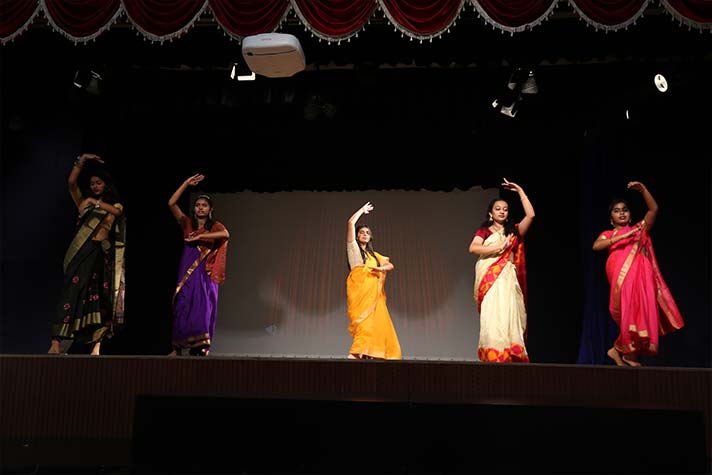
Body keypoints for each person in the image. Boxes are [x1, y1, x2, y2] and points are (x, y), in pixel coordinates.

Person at [592, 181, 684, 366]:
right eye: (616, 211)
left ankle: (624, 352)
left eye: (625, 210)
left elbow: (653, 209)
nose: (621, 213)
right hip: (621, 275)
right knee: (628, 310)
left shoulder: (639, 229)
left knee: (639, 310)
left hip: (641, 276)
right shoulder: (609, 233)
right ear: (611, 219)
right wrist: (621, 236)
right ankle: (624, 351)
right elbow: (596, 246)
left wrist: (643, 190)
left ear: (630, 215)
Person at [49, 153, 126, 356]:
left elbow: (117, 212)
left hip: (100, 257)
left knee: (99, 299)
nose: (95, 186)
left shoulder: (113, 205)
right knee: (70, 293)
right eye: (92, 184)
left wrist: (95, 202)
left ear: (106, 185)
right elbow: (71, 183)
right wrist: (81, 161)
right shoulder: (84, 203)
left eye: (99, 183)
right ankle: (56, 342)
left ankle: (96, 346)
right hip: (81, 255)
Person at [468, 178, 535, 363]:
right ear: (491, 213)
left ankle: (511, 354)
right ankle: (493, 354)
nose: (502, 211)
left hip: (507, 278)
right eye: (498, 208)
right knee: (493, 315)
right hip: (490, 279)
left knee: (509, 313)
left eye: (505, 209)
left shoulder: (513, 232)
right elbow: (473, 248)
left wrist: (520, 191)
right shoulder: (485, 231)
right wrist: (498, 247)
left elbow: (531, 215)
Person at [168, 174, 230, 356]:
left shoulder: (214, 227)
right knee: (183, 306)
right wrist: (186, 183)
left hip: (205, 275)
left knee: (202, 309)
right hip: (186, 274)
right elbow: (171, 203)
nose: (200, 208)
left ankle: (200, 347)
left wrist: (201, 236)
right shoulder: (187, 223)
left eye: (204, 205)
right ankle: (177, 348)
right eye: (197, 205)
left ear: (210, 209)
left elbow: (226, 234)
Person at [345, 202, 402, 360]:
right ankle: (355, 355)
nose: (364, 234)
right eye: (361, 232)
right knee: (363, 327)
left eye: (367, 233)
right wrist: (362, 211)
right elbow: (350, 223)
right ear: (357, 236)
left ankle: (370, 355)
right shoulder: (353, 249)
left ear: (370, 237)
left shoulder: (374, 255)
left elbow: (390, 265)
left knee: (376, 326)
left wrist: (380, 269)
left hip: (375, 298)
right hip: (360, 294)